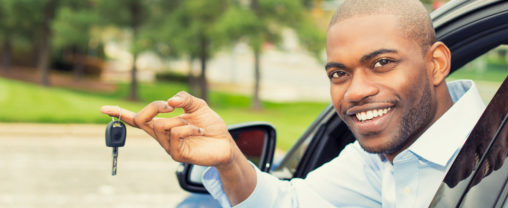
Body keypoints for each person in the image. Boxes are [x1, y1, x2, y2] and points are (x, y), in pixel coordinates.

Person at [101, 0, 485, 207]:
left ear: (436, 64)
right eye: (339, 74)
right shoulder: (380, 156)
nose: (354, 92)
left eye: (381, 63)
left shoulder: (506, 152)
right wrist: (230, 159)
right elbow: (295, 201)